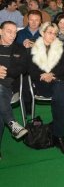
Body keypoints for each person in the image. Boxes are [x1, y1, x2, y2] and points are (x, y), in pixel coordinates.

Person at [28, 22, 64, 155]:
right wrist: (44, 75)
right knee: (60, 93)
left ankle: (59, 138)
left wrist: (51, 73)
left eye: (55, 33)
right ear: (42, 33)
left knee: (59, 93)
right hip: (43, 84)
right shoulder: (34, 48)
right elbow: (31, 70)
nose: (53, 36)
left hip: (60, 80)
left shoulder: (62, 47)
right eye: (50, 32)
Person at [0, 21, 28, 159]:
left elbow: (22, 68)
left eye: (15, 32)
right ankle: (11, 122)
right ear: (0, 31)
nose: (13, 35)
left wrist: (5, 72)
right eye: (9, 31)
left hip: (9, 85)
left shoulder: (19, 48)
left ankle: (11, 123)